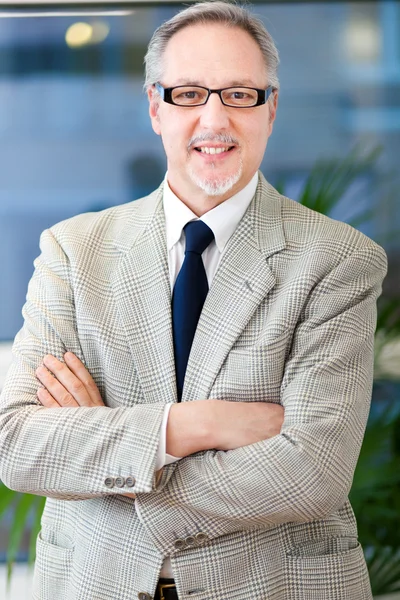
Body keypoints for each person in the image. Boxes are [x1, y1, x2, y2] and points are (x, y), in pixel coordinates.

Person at [0, 2, 387, 599]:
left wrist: (112, 462)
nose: (215, 120)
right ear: (156, 107)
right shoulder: (74, 252)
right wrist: (192, 425)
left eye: (239, 94)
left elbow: (312, 473)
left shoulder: (338, 260)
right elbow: (18, 444)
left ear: (271, 109)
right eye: (189, 94)